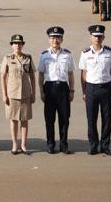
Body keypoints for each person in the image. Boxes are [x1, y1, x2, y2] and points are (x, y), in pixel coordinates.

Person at [79, 24, 111, 156]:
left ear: (103, 37)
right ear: (91, 37)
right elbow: (83, 74)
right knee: (91, 119)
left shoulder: (109, 52)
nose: (97, 38)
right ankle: (93, 145)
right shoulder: (85, 53)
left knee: (107, 119)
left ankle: (105, 145)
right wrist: (84, 91)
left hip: (106, 88)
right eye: (95, 36)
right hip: (91, 88)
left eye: (100, 36)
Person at [37, 26, 75, 154]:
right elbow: (41, 74)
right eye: (52, 38)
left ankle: (64, 144)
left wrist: (72, 90)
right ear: (49, 39)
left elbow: (70, 74)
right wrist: (41, 91)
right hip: (49, 88)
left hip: (63, 88)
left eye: (58, 37)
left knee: (64, 118)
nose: (55, 40)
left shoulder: (67, 54)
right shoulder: (44, 55)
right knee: (49, 119)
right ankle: (50, 144)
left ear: (62, 39)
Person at [1, 34, 36, 154]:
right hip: (12, 94)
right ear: (12, 45)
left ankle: (24, 145)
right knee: (13, 120)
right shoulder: (7, 58)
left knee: (25, 120)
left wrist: (33, 93)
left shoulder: (28, 58)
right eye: (15, 43)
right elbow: (3, 77)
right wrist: (4, 95)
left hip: (26, 93)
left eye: (19, 43)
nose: (17, 45)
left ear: (23, 45)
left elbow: (32, 76)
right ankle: (15, 144)